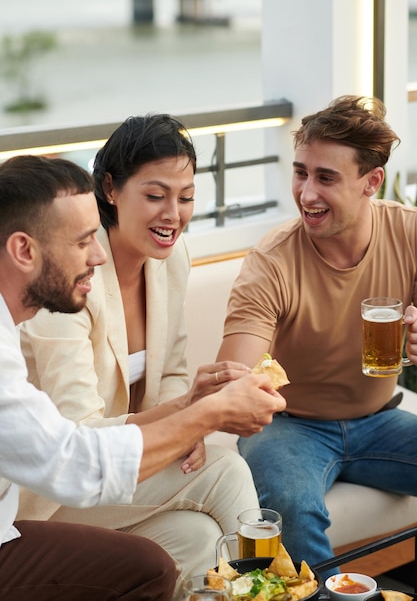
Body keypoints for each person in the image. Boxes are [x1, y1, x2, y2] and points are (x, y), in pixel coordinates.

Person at [0, 153, 286, 599]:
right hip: (26, 511)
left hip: (39, 494)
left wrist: (189, 408)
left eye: (187, 197)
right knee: (225, 469)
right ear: (24, 250)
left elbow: (170, 369)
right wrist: (205, 415)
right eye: (82, 241)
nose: (97, 255)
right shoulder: (48, 311)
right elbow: (72, 458)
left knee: (192, 540)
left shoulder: (164, 263)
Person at [216, 95, 417, 574]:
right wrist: (240, 387)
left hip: (380, 420)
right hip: (291, 427)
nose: (306, 193)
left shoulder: (409, 233)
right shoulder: (271, 262)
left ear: (372, 181)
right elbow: (236, 374)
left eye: (325, 177)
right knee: (288, 501)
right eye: (300, 172)